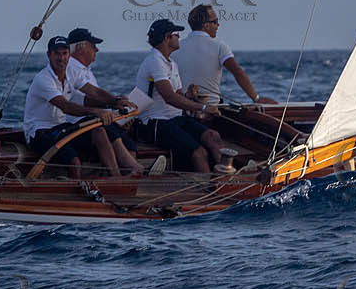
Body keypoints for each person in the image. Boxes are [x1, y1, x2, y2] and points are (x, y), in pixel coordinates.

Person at [22, 36, 133, 179]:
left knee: (99, 131)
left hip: (61, 128)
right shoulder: (43, 79)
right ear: (49, 55)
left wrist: (115, 101)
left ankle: (116, 179)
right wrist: (96, 111)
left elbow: (94, 92)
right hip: (39, 133)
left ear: (69, 54)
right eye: (57, 53)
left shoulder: (71, 72)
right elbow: (66, 106)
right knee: (74, 161)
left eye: (64, 53)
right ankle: (78, 192)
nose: (61, 58)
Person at [133, 19, 225, 173]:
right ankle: (211, 189)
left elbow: (178, 96)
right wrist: (203, 107)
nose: (179, 38)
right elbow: (169, 97)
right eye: (177, 35)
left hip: (175, 119)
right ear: (167, 38)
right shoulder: (154, 61)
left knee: (212, 136)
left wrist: (189, 96)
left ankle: (227, 178)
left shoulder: (172, 63)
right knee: (199, 152)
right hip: (155, 123)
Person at [65, 27, 145, 176]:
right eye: (93, 45)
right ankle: (133, 170)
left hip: (93, 119)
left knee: (130, 144)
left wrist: (117, 107)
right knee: (110, 132)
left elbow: (96, 96)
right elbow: (85, 99)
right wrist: (115, 103)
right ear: (81, 46)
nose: (97, 50)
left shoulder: (84, 70)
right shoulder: (71, 68)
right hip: (79, 122)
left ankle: (132, 173)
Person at [175, 4, 277, 106]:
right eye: (215, 22)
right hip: (211, 109)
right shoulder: (219, 46)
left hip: (182, 107)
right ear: (206, 26)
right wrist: (256, 98)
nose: (218, 25)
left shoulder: (175, 47)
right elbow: (237, 72)